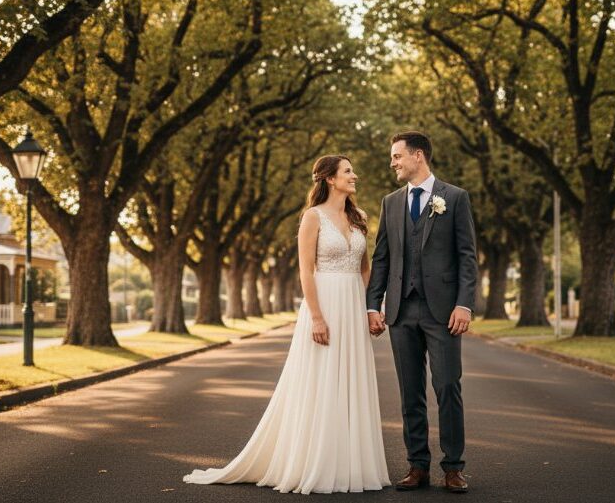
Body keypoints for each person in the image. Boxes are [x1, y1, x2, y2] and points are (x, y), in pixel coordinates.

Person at [183, 155, 390, 495]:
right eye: (348, 171)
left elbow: (365, 267)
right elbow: (305, 271)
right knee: (321, 382)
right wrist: (318, 317)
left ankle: (352, 464)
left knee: (351, 381)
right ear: (329, 179)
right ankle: (316, 463)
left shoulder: (360, 217)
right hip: (324, 304)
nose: (355, 176)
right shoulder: (312, 217)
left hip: (353, 306)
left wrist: (372, 308)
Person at [366, 130, 477, 493]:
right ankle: (417, 465)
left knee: (447, 387)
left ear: (417, 155)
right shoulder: (390, 202)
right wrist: (373, 305)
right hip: (400, 310)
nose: (393, 162)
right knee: (409, 392)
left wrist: (464, 304)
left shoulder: (455, 198)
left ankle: (453, 467)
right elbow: (381, 258)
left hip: (443, 312)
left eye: (397, 156)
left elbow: (467, 257)